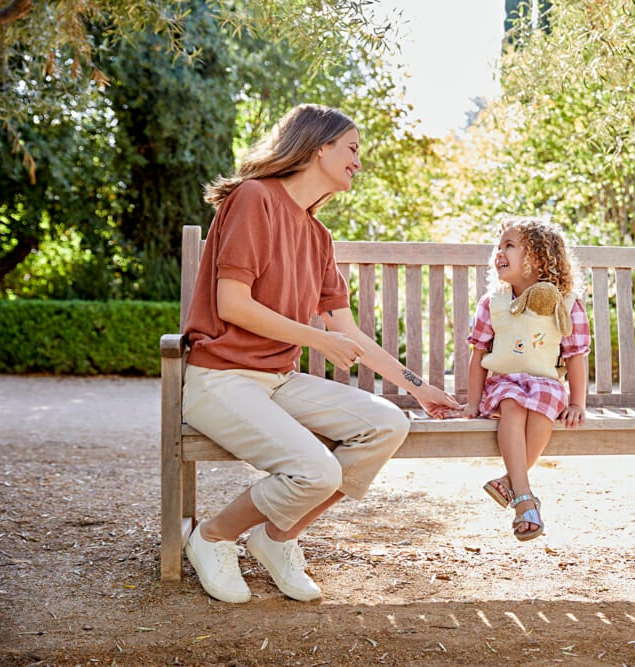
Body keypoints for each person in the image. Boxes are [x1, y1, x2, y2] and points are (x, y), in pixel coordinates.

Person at [180, 104, 460, 604]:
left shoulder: (318, 235)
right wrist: (315, 339)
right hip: (221, 378)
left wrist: (419, 388)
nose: (358, 161)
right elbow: (232, 304)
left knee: (387, 423)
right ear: (318, 147)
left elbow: (346, 331)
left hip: (277, 381)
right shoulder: (253, 198)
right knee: (318, 471)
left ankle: (276, 539)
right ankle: (212, 538)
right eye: (352, 148)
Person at [461, 217, 590, 541]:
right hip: (504, 383)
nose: (499, 252)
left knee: (543, 402)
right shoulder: (494, 303)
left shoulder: (566, 303)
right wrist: (473, 402)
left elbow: (575, 356)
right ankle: (524, 498)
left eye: (510, 246)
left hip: (545, 383)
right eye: (498, 245)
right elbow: (479, 354)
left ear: (538, 258)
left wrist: (576, 403)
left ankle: (511, 484)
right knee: (512, 405)